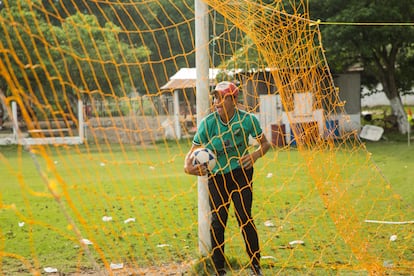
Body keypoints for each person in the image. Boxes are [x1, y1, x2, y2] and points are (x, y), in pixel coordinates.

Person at [184, 81, 271, 275]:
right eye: (215, 97)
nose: (217, 101)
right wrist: (187, 166)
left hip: (241, 174)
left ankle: (255, 266)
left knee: (244, 217)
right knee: (218, 221)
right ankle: (219, 269)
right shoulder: (208, 123)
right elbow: (192, 151)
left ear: (234, 99)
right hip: (217, 178)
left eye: (223, 97)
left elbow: (265, 144)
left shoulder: (248, 120)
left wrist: (255, 155)